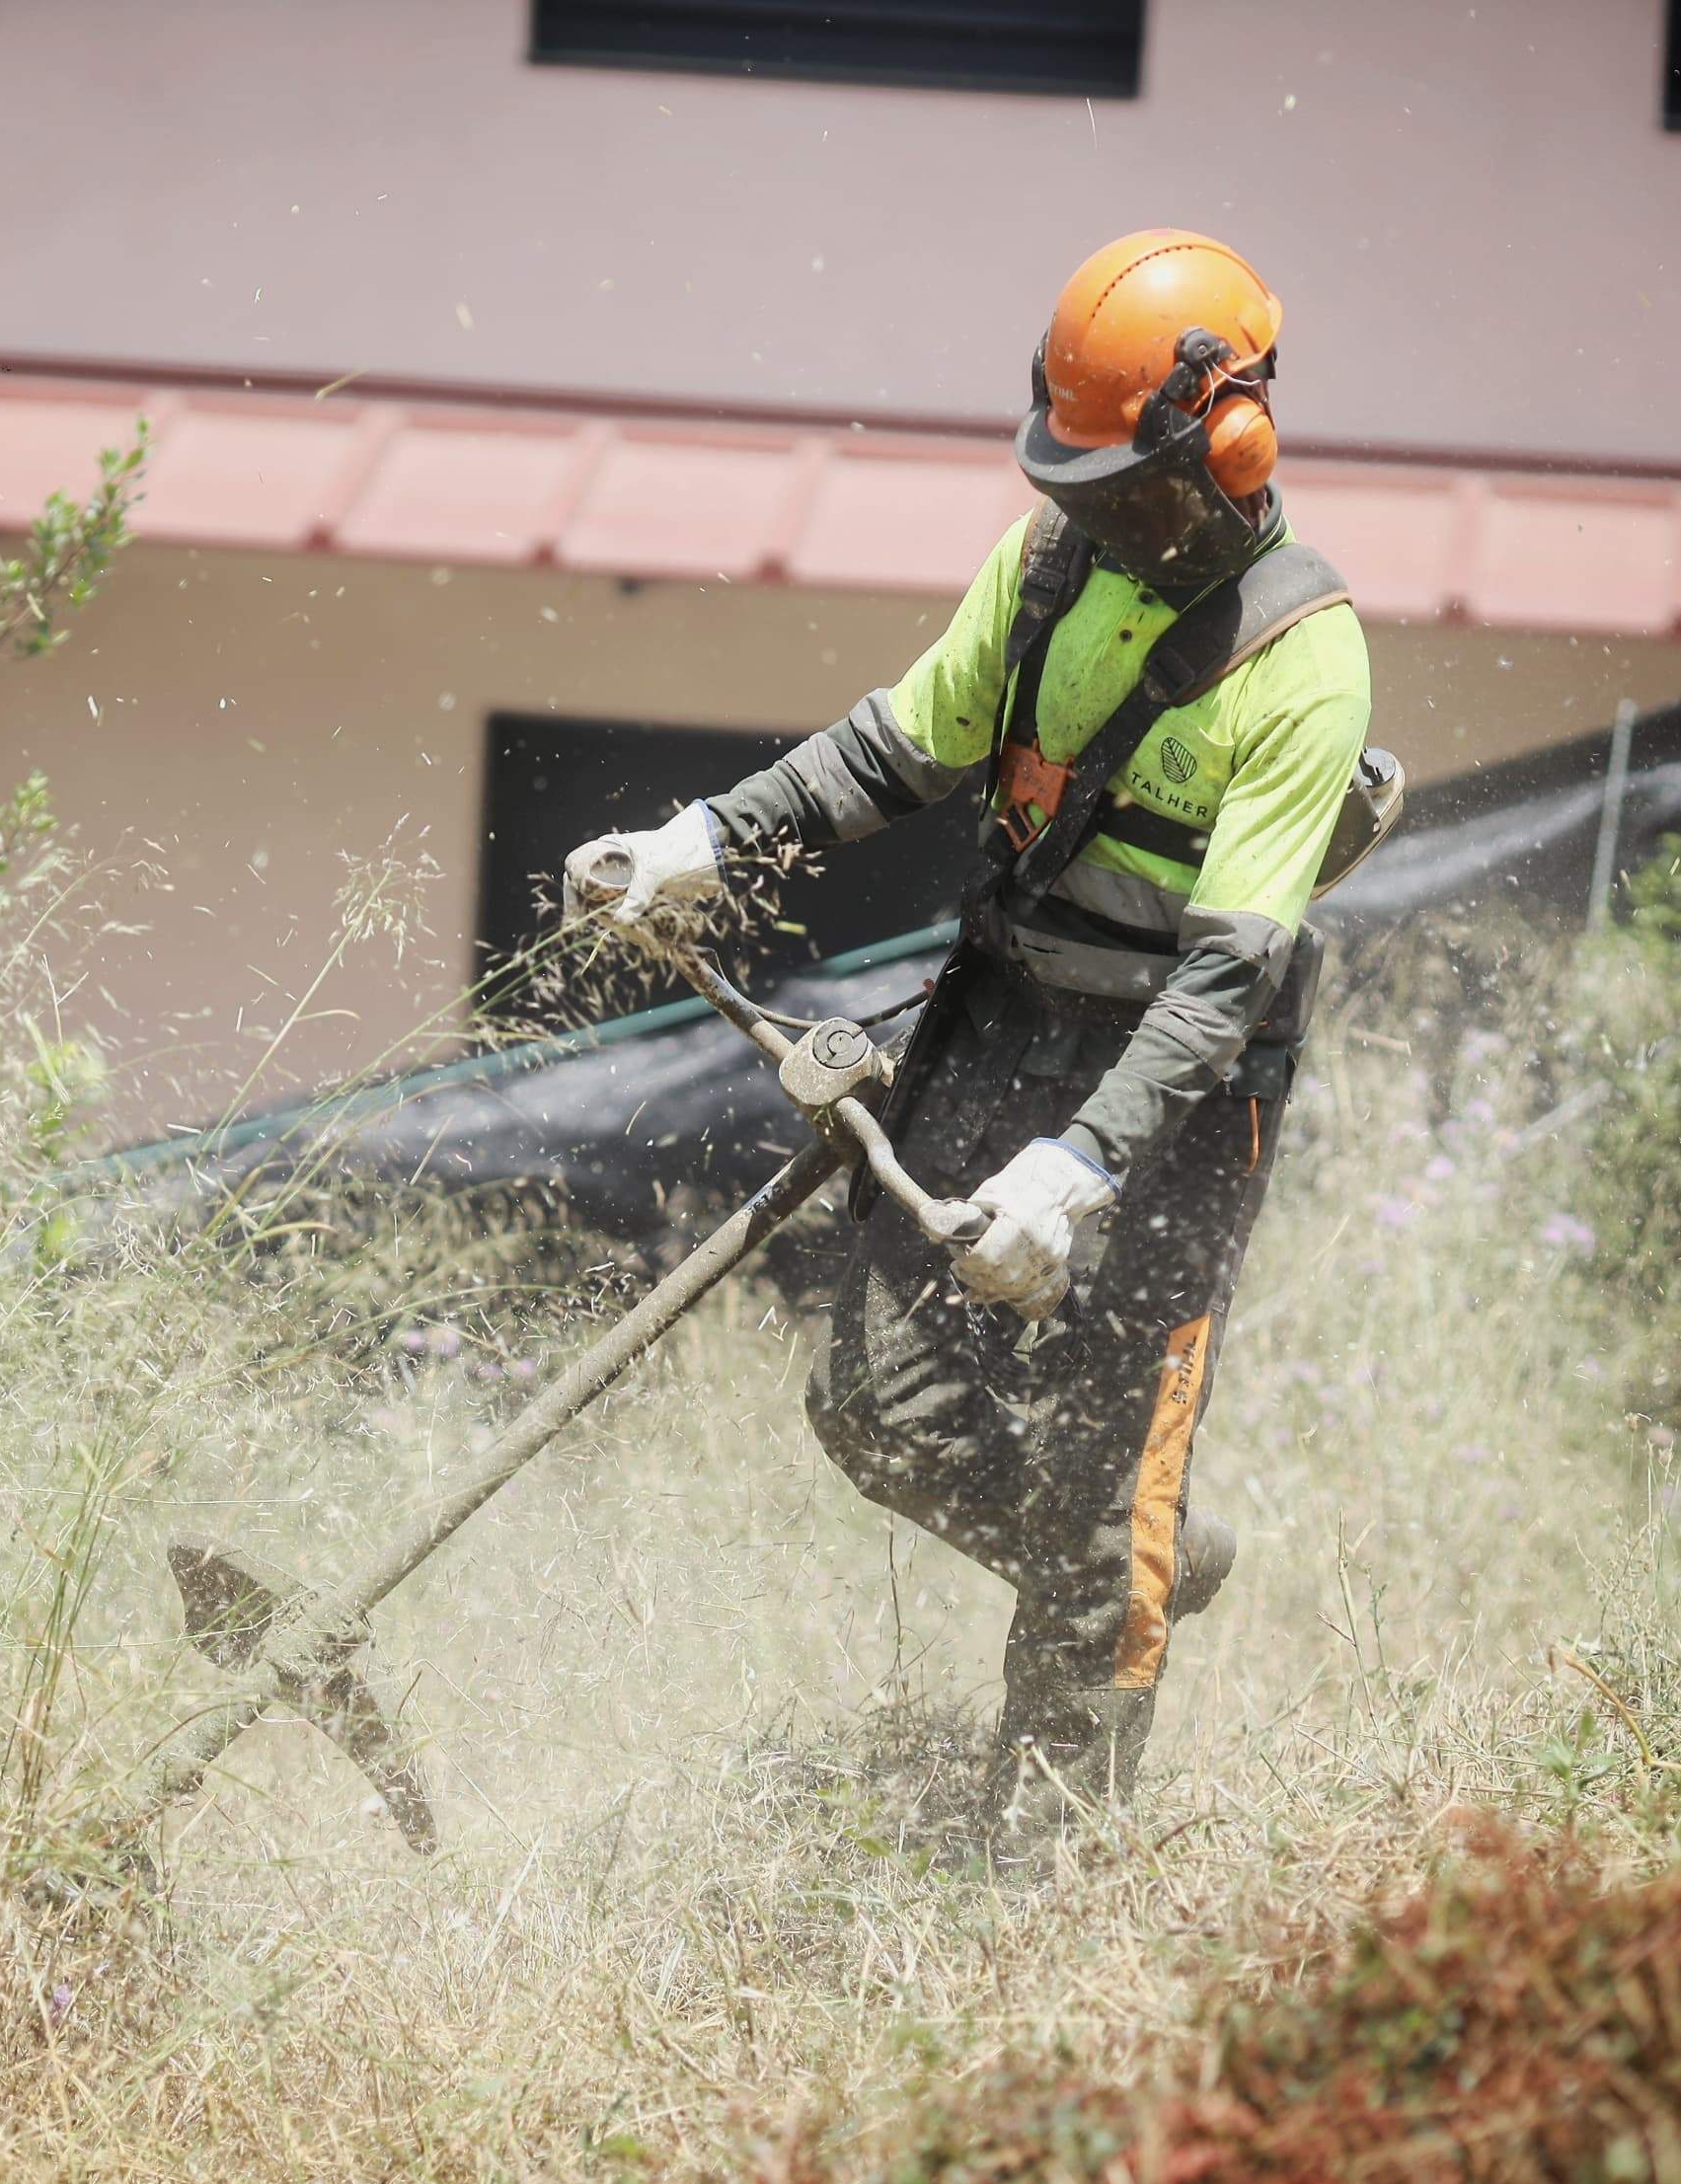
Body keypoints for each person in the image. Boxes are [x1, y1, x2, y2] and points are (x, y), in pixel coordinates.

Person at [563, 230, 1391, 1849]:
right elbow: (899, 746)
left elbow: (1225, 983)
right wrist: (707, 838)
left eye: (1113, 486)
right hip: (1001, 1014)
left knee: (1095, 1490)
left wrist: (1081, 1170)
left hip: (1170, 1090)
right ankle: (1142, 1559)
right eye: (1065, 480)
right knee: (877, 1406)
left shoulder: (1306, 662)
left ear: (1228, 451)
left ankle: (1045, 1874)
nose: (1080, 512)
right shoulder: (1052, 561)